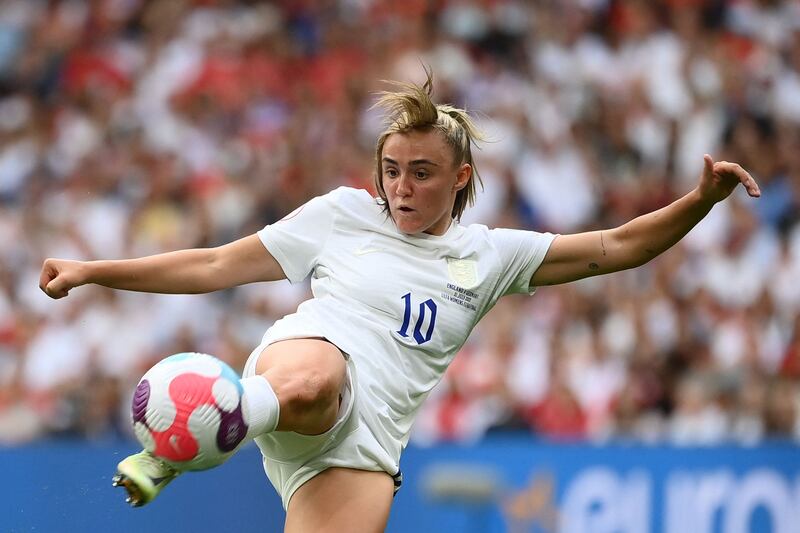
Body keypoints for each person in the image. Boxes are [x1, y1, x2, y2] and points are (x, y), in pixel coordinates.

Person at [38, 70, 760, 533]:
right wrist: (97, 268)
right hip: (307, 364)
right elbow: (216, 263)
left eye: (421, 172)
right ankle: (196, 432)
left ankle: (206, 427)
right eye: (391, 170)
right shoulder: (341, 215)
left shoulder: (490, 255)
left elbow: (618, 247)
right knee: (320, 380)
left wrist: (700, 200)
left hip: (365, 446)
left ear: (460, 177)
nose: (402, 188)